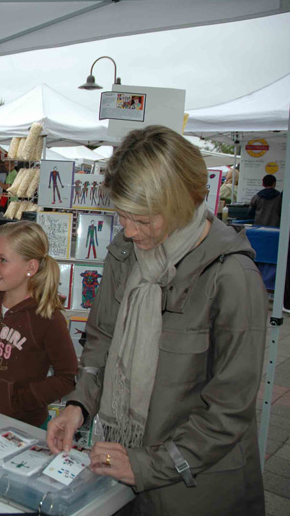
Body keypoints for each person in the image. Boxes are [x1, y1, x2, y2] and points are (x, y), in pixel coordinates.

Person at [47, 126, 266, 515]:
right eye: (122, 216)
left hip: (197, 490)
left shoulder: (231, 276)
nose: (129, 232)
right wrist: (78, 406)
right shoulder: (125, 254)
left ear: (180, 202)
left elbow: (230, 407)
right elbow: (100, 339)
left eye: (142, 220)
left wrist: (151, 464)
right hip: (121, 469)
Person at [0, 221, 77, 428]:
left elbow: (67, 376)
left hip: (19, 426)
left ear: (31, 267)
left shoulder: (47, 316)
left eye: (3, 260)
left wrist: (23, 399)